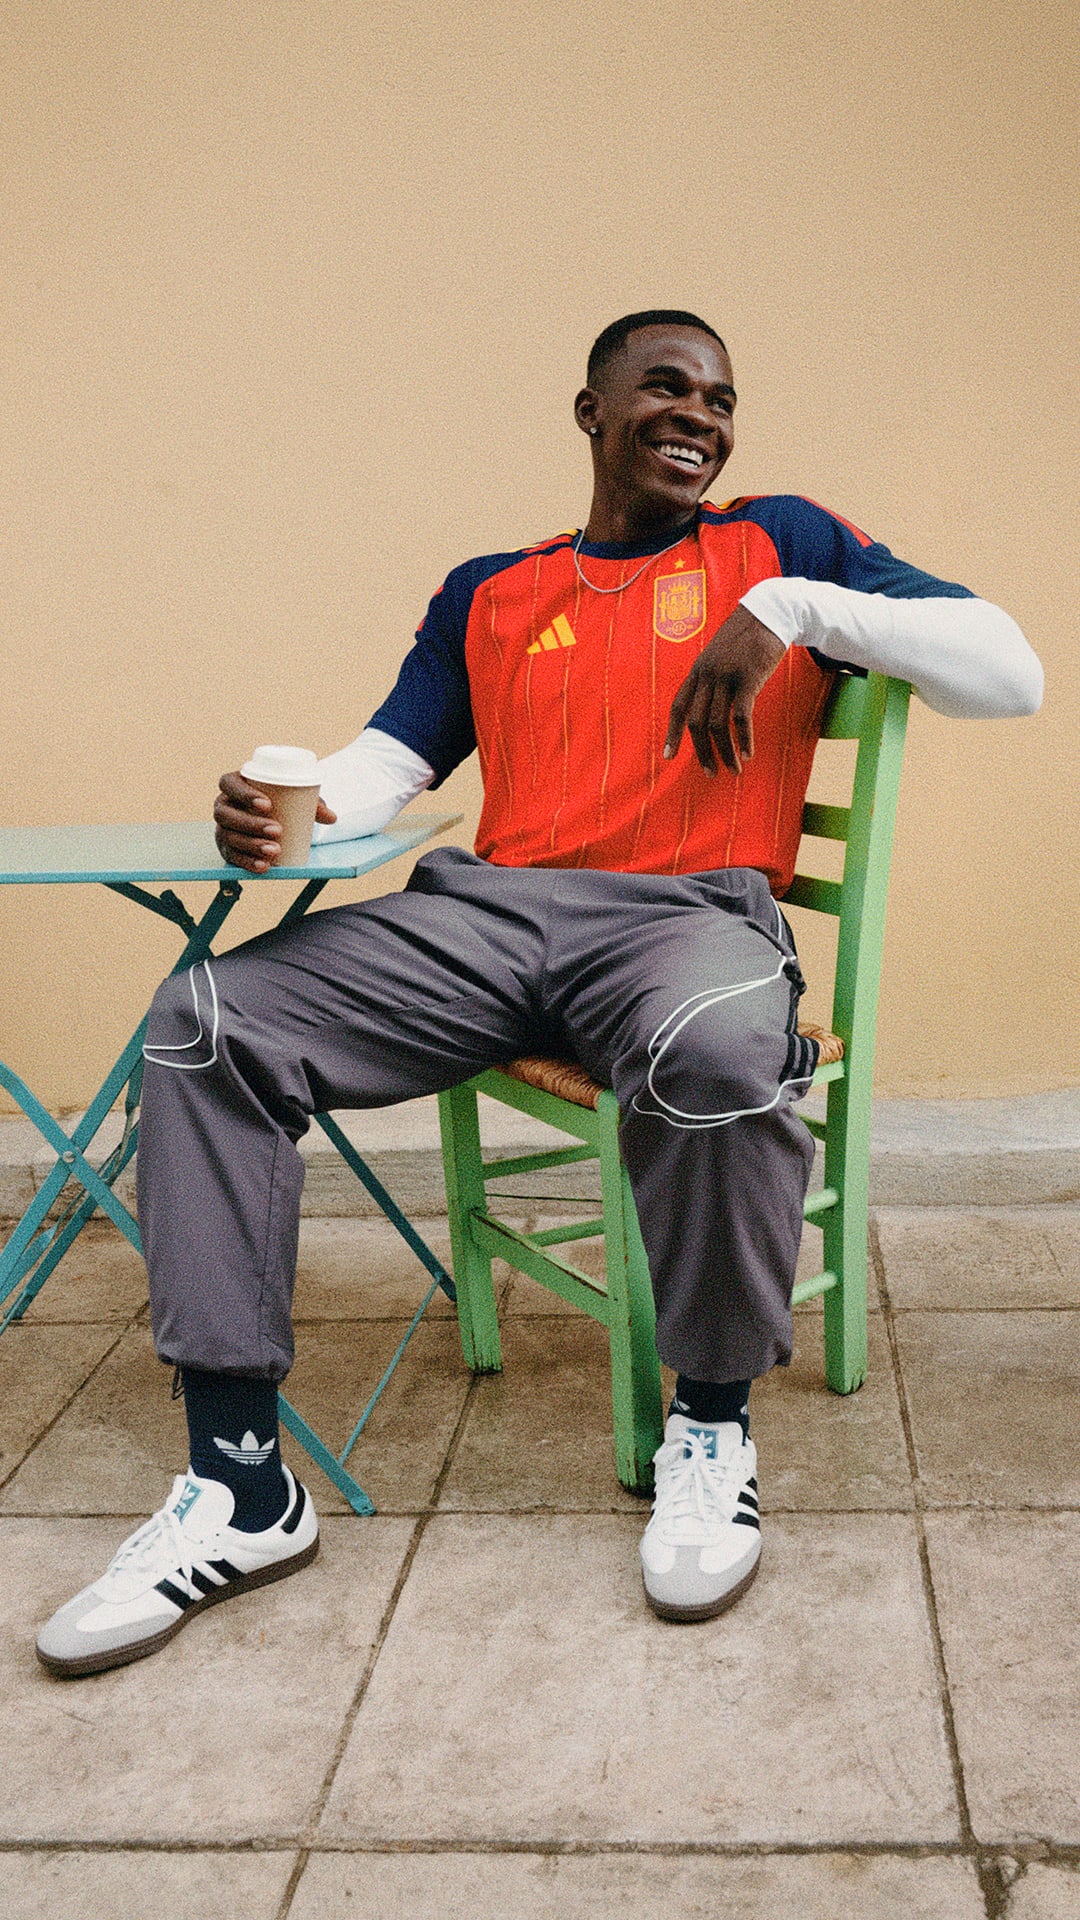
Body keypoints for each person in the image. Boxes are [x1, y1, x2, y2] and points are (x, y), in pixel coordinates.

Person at [36, 311, 1042, 1674]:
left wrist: (792, 614)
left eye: (722, 398)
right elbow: (390, 767)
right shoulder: (494, 592)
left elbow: (1012, 674)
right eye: (665, 388)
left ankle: (709, 1424)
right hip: (490, 920)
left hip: (688, 922)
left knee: (714, 1057)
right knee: (208, 1022)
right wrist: (288, 810)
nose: (700, 415)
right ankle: (238, 1485)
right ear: (591, 410)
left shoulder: (780, 544)